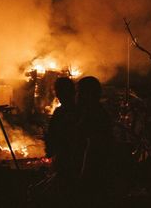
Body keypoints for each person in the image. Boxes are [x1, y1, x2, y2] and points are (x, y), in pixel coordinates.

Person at [76, 76, 113, 207]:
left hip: (94, 170)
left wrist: (84, 172)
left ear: (87, 94)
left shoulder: (94, 114)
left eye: (79, 92)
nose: (77, 96)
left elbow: (93, 146)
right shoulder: (95, 112)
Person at [43, 77, 79, 206]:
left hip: (67, 161)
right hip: (71, 161)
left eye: (58, 91)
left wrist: (50, 150)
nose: (57, 95)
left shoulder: (64, 113)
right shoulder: (78, 111)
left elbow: (53, 135)